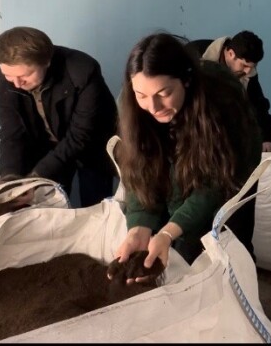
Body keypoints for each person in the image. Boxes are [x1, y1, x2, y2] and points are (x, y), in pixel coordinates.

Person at [111, 33, 262, 278]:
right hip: (182, 176)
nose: (153, 107)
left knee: (226, 255)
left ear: (186, 80)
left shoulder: (221, 100)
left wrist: (169, 232)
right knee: (174, 254)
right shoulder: (132, 105)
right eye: (142, 95)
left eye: (164, 93)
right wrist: (139, 227)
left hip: (231, 178)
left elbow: (214, 185)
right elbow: (141, 171)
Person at [0, 26, 117, 208]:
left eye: (25, 75)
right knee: (50, 211)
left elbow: (80, 136)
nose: (16, 83)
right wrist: (11, 177)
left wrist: (35, 178)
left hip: (92, 146)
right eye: (9, 75)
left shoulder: (82, 70)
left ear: (46, 61)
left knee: (94, 209)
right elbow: (11, 131)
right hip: (47, 149)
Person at [186, 31, 271, 152]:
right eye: (244, 65)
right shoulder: (193, 56)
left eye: (253, 66)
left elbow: (258, 105)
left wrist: (267, 138)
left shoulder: (248, 72)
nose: (249, 71)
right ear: (230, 54)